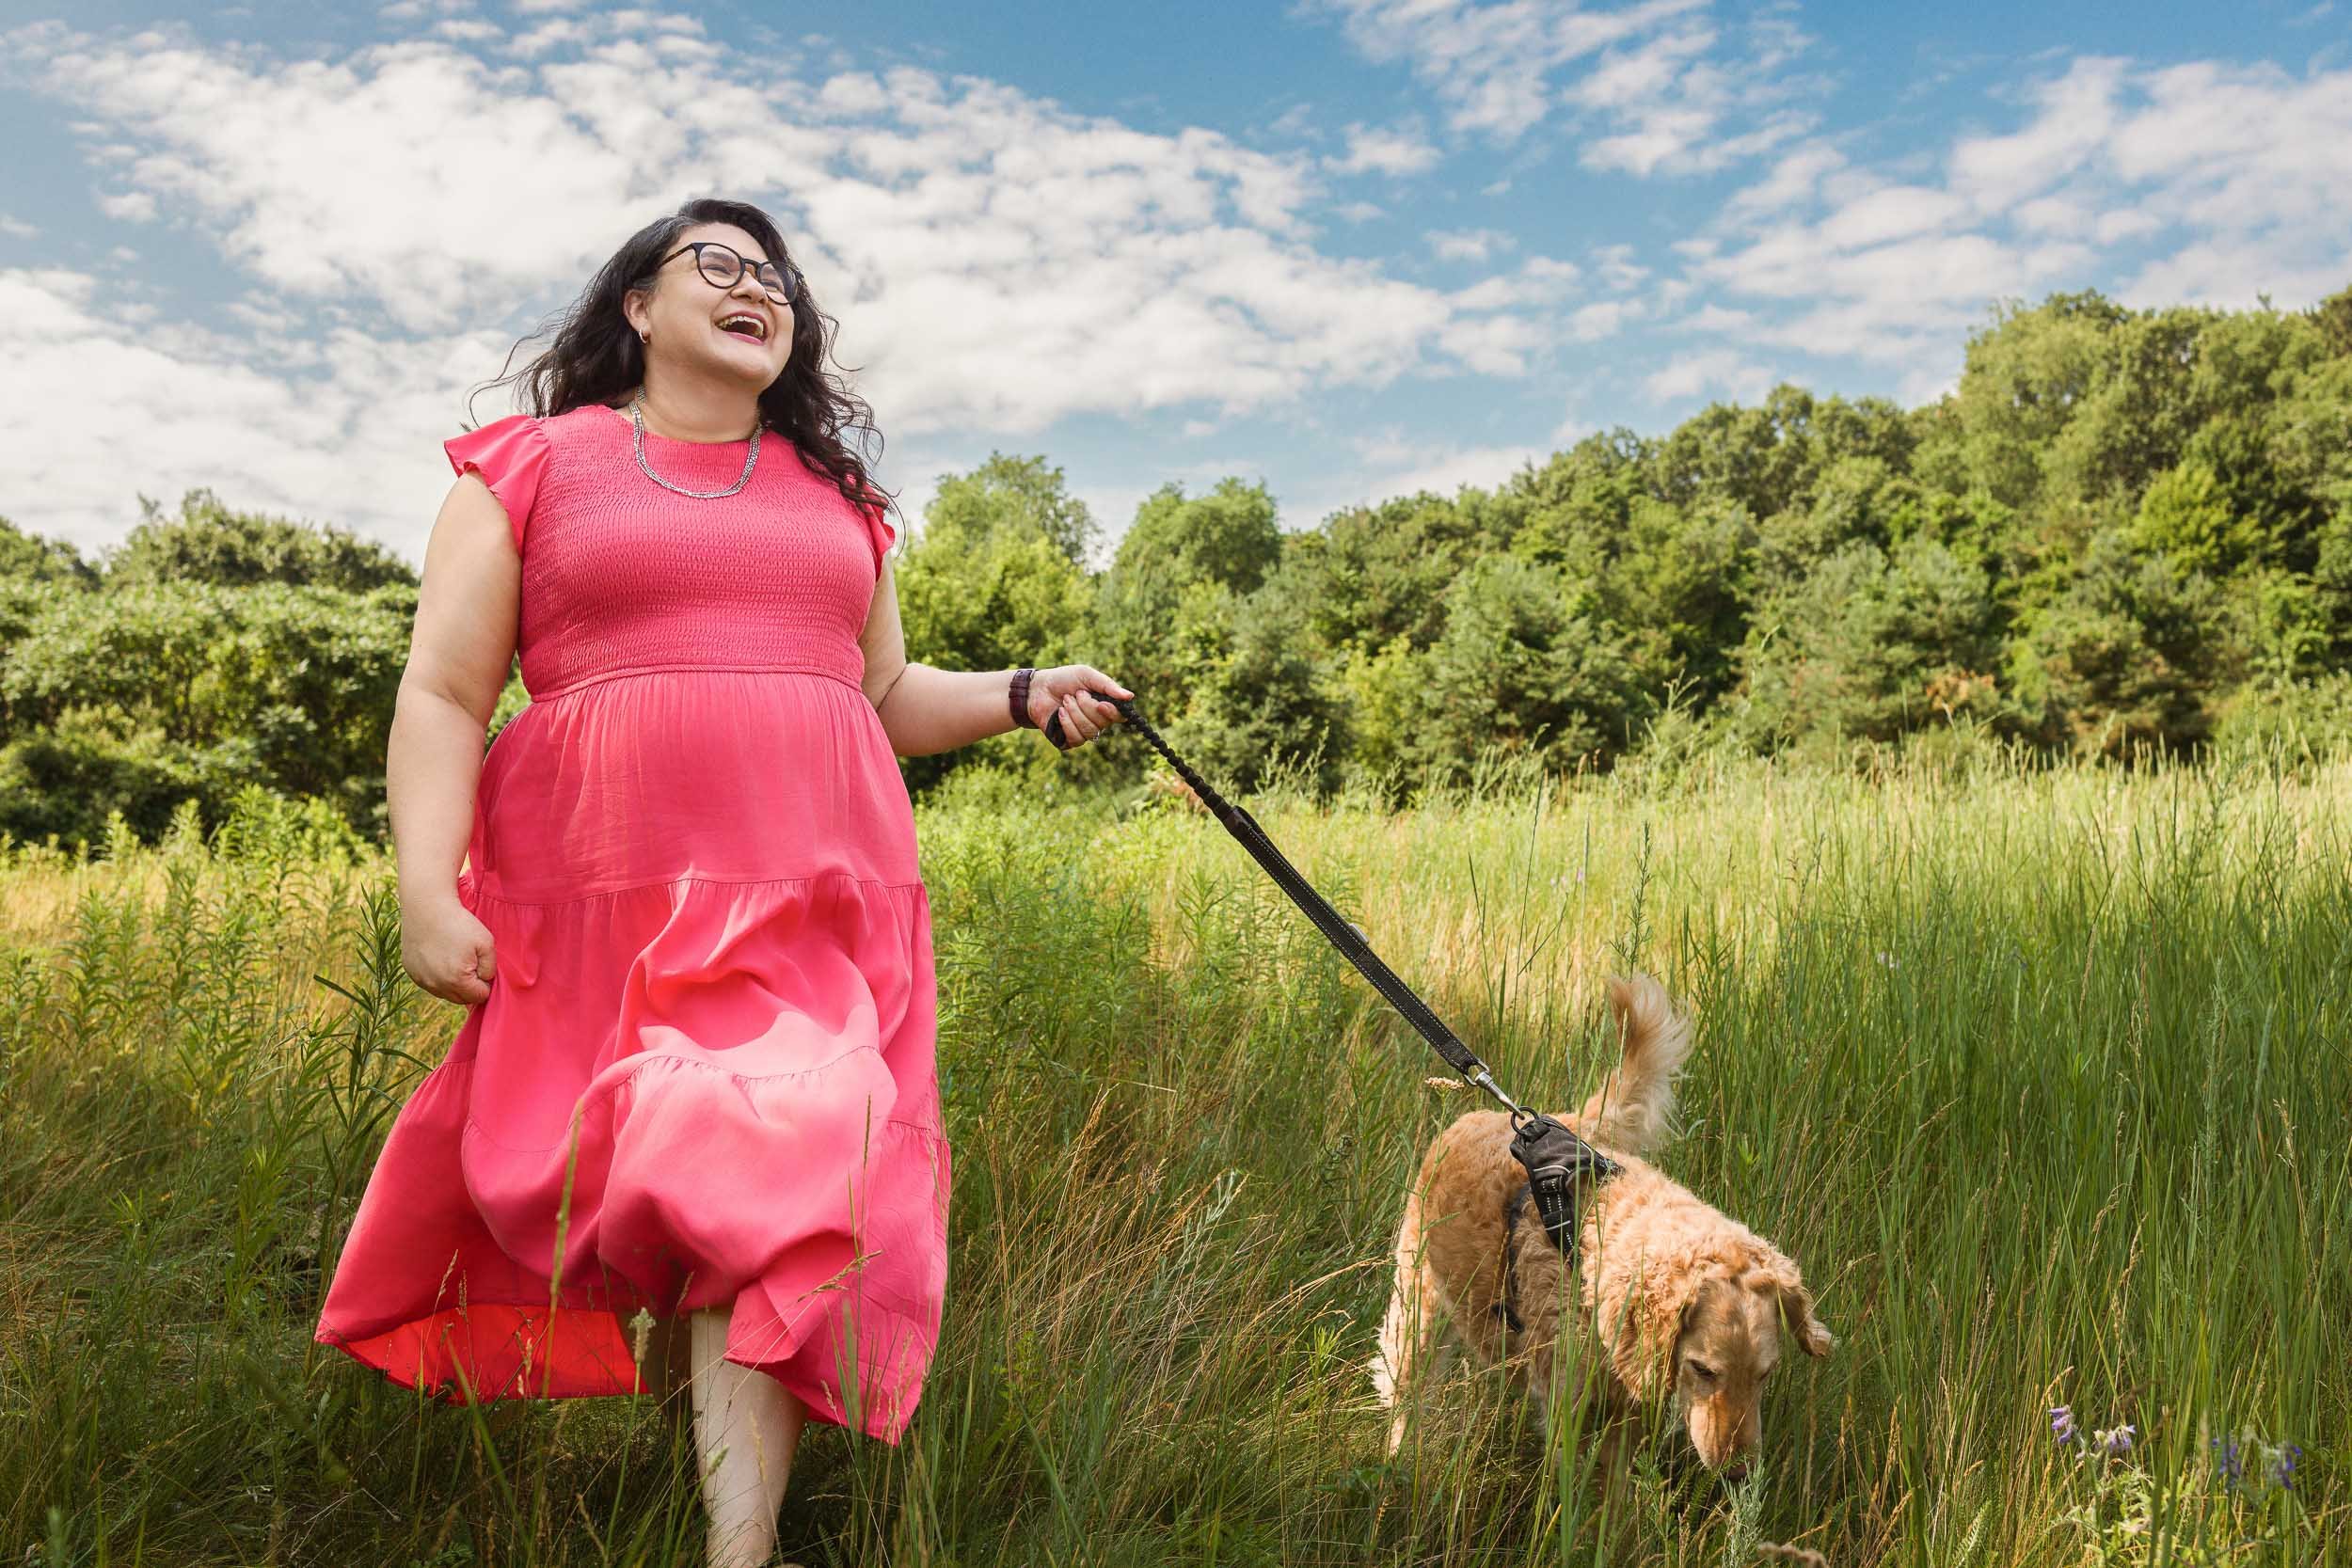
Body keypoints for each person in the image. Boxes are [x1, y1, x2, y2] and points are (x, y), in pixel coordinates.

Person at [314, 195, 1131, 1567]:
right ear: (637, 304)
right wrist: (422, 884)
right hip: (600, 906)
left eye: (779, 278)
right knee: (664, 1180)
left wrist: (1019, 691)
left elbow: (879, 690)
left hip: (812, 900)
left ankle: (735, 1553)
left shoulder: (838, 501)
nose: (759, 288)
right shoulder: (533, 465)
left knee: (796, 1157)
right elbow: (446, 690)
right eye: (720, 265)